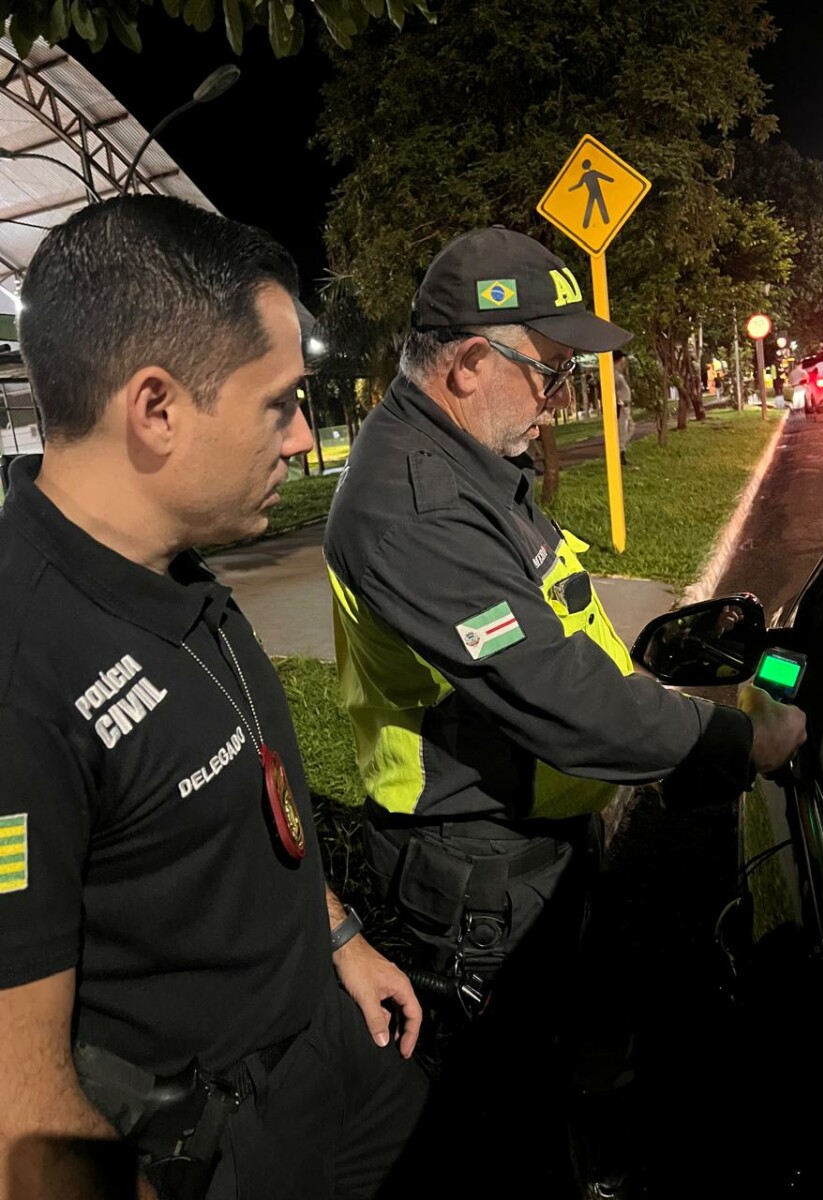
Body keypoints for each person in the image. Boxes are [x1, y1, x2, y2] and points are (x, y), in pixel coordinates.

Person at [323, 225, 806, 1193]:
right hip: (476, 874)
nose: (559, 399)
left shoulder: (464, 461)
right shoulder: (412, 504)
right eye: (550, 371)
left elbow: (557, 631)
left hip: (532, 839)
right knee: (510, 1117)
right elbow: (557, 694)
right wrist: (738, 740)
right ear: (469, 364)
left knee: (581, 1057)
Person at [0, 196, 430, 1200]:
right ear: (156, 409)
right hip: (220, 1151)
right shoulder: (23, 679)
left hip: (333, 1051)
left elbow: (249, 803)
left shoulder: (172, 565)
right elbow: (21, 1111)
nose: (300, 437)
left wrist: (337, 935)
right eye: (278, 403)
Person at [613, 347, 635, 466]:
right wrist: (618, 401)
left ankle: (621, 447)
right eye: (622, 359)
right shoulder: (613, 373)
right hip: (621, 406)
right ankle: (620, 453)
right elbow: (612, 388)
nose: (624, 361)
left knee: (631, 427)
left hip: (626, 405)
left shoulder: (618, 373)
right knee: (622, 429)